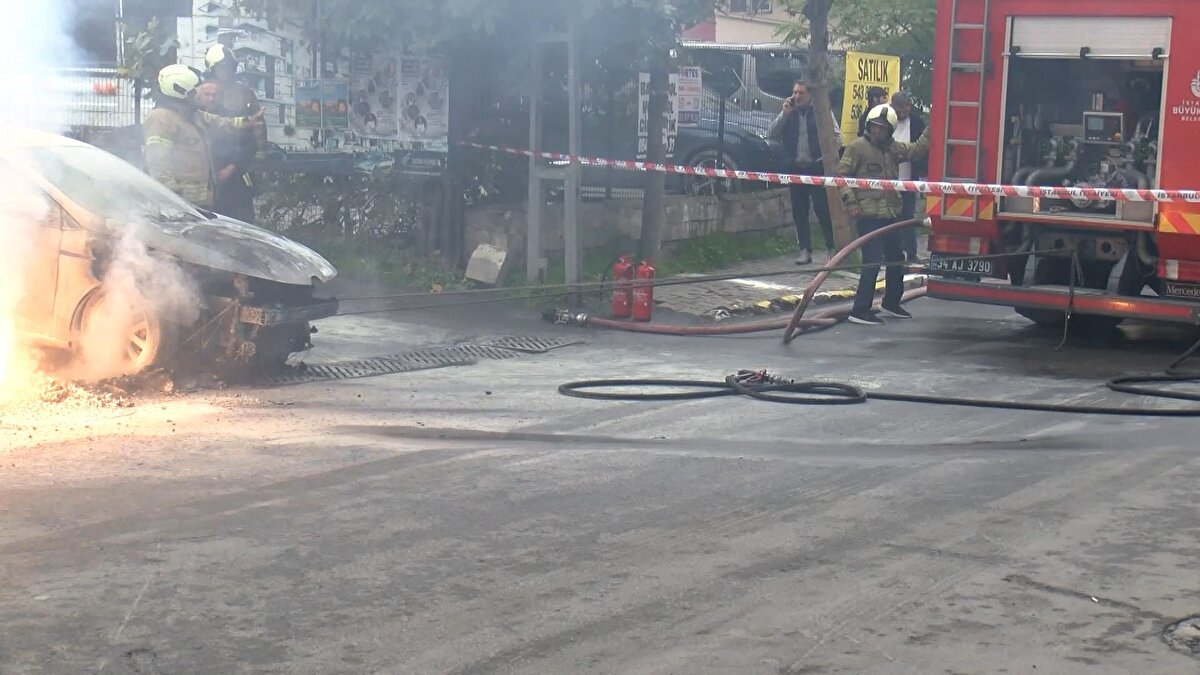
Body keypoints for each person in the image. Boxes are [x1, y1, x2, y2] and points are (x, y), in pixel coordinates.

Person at [838, 104, 931, 326]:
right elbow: (841, 177)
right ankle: (860, 309)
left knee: (896, 259)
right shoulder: (857, 148)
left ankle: (891, 302)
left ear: (889, 131)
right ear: (868, 126)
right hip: (868, 217)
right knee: (872, 262)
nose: (878, 131)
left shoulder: (892, 149)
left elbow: (915, 150)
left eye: (882, 128)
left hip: (890, 215)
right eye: (874, 127)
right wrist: (851, 203)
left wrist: (932, 128)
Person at [143, 64, 264, 210]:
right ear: (180, 91)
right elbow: (158, 165)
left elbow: (219, 122)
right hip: (181, 204)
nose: (197, 95)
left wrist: (248, 122)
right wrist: (172, 199)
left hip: (200, 203)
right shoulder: (161, 118)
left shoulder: (191, 114)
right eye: (194, 92)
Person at [768, 79, 841, 265]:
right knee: (799, 211)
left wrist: (826, 157)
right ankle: (804, 250)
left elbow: (837, 136)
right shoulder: (788, 112)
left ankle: (831, 248)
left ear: (810, 95)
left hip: (816, 168)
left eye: (801, 93)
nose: (797, 96)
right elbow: (772, 133)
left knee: (822, 209)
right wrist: (784, 114)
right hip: (795, 168)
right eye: (795, 92)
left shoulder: (821, 111)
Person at [204, 45, 265, 222]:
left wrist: (236, 165)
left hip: (237, 171)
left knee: (242, 221)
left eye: (230, 66)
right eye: (222, 67)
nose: (227, 71)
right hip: (207, 174)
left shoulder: (244, 94)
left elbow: (254, 134)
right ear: (212, 68)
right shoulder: (202, 92)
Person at [890, 91, 927, 260]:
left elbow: (921, 148)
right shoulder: (887, 121)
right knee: (891, 218)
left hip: (909, 177)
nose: (902, 113)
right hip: (889, 178)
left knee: (908, 216)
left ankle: (911, 253)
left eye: (905, 109)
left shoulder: (917, 123)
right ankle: (894, 253)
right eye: (899, 110)